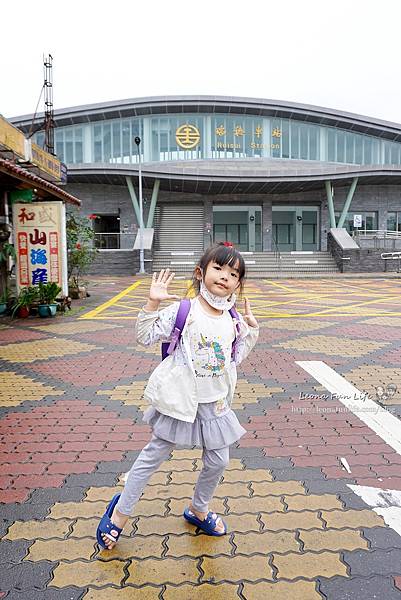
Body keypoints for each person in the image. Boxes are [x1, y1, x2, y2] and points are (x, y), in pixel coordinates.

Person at [96, 242, 259, 549]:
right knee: (152, 456)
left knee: (219, 460)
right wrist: (152, 304)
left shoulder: (234, 318)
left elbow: (233, 358)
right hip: (181, 400)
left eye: (233, 273)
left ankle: (198, 508)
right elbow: (145, 336)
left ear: (239, 283)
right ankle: (119, 514)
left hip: (216, 404)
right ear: (201, 273)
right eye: (218, 268)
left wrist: (252, 330)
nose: (225, 276)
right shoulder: (184, 310)